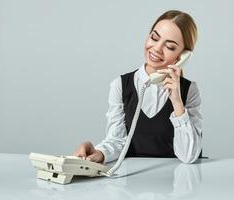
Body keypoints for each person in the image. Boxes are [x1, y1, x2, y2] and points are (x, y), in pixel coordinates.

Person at [73, 10, 202, 164]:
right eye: (154, 37)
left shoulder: (189, 90)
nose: (156, 49)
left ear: (183, 55)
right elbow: (117, 140)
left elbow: (189, 156)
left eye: (170, 47)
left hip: (177, 182)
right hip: (131, 180)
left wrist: (177, 103)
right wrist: (99, 153)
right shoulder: (120, 85)